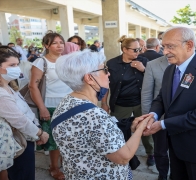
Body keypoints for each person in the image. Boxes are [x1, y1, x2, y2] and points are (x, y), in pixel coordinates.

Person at [52, 50, 151, 179]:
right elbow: (123, 157)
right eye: (104, 69)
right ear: (89, 78)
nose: (108, 73)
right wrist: (140, 128)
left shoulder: (65, 103)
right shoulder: (94, 115)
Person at [143, 26, 196, 180]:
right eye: (163, 47)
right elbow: (161, 98)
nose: (165, 52)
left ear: (189, 45)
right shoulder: (170, 69)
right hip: (175, 143)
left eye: (170, 46)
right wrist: (153, 115)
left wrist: (163, 124)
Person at [0, 46, 49, 180]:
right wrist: (40, 133)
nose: (16, 68)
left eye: (17, 64)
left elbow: (24, 112)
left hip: (20, 140)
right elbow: (19, 120)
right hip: (16, 143)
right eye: (11, 65)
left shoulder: (6, 86)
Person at [101, 35, 155, 167]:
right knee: (118, 129)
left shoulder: (143, 61)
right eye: (135, 50)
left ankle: (151, 153)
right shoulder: (112, 64)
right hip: (120, 103)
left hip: (140, 103)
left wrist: (143, 70)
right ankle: (123, 154)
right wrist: (104, 103)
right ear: (124, 49)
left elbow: (155, 80)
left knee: (145, 129)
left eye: (140, 49)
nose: (139, 52)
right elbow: (105, 84)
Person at [29, 32, 72, 180]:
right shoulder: (41, 62)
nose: (60, 45)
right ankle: (54, 167)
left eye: (61, 42)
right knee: (54, 141)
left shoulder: (66, 60)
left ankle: (66, 164)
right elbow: (33, 87)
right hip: (51, 105)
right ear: (46, 45)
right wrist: (42, 108)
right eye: (55, 43)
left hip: (69, 104)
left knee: (68, 138)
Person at [141, 56, 170, 180]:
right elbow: (147, 93)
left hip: (184, 120)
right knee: (160, 151)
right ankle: (162, 175)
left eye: (171, 45)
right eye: (164, 46)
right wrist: (148, 118)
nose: (167, 50)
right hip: (159, 117)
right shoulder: (153, 65)